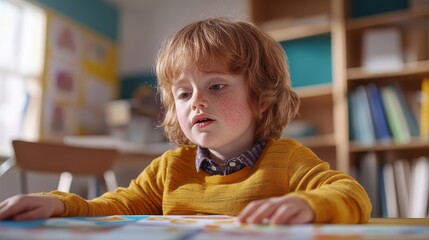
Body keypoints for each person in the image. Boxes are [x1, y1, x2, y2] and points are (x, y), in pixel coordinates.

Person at [0, 18, 371, 225]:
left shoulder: (287, 159)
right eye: (183, 93)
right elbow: (118, 205)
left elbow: (351, 194)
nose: (198, 101)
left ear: (260, 98)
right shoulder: (170, 168)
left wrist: (311, 205)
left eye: (216, 86)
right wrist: (59, 204)